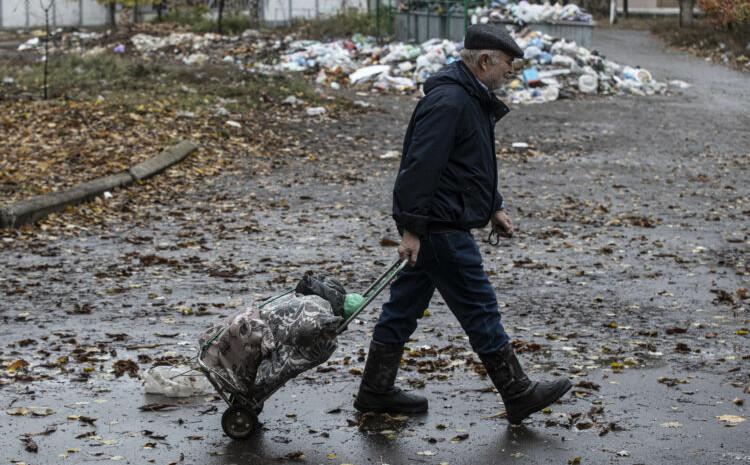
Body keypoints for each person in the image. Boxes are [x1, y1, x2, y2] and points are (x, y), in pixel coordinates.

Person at [354, 24, 572, 425]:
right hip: (440, 227)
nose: (511, 71)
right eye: (508, 63)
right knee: (480, 309)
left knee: (402, 309)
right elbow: (420, 169)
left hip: (441, 221)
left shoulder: (471, 97)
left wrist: (494, 207)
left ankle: (375, 389)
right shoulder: (451, 102)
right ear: (485, 60)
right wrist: (412, 230)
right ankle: (518, 392)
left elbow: (468, 166)